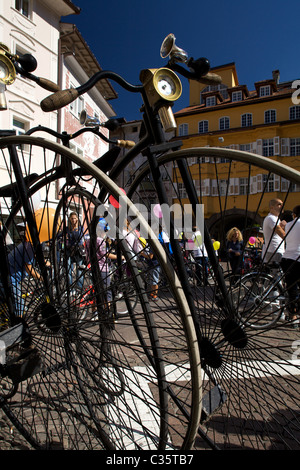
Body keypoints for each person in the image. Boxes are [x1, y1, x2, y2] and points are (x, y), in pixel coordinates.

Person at [281, 205, 300, 326]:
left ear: (294, 214)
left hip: (287, 258)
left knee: (291, 289)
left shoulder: (289, 225)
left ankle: (292, 315)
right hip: (298, 258)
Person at [262, 198, 285, 264]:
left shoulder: (275, 218)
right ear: (272, 207)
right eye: (279, 204)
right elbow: (283, 235)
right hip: (275, 251)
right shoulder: (272, 218)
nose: (282, 206)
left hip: (275, 250)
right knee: (275, 273)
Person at [66, 212, 85, 293]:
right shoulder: (67, 229)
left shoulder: (80, 228)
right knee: (68, 271)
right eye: (72, 218)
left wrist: (75, 229)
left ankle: (79, 289)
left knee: (79, 271)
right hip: (69, 250)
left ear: (77, 219)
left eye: (74, 218)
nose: (73, 220)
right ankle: (70, 289)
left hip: (79, 251)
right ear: (70, 219)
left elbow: (78, 236)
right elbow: (59, 235)